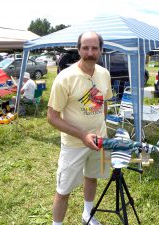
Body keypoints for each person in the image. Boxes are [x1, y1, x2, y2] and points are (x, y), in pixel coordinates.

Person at [47, 31, 113, 225]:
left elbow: (104, 103)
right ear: (78, 50)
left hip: (99, 139)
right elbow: (52, 117)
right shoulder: (65, 78)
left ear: (101, 50)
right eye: (85, 47)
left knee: (92, 177)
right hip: (74, 143)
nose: (90, 52)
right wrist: (83, 134)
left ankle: (87, 215)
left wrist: (100, 128)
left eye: (94, 48)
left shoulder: (104, 74)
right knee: (63, 190)